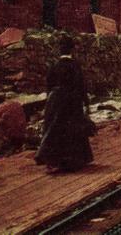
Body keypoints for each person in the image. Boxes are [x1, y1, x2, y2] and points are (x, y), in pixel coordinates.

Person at [35, 38, 94, 172]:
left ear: (59, 51)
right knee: (72, 129)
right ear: (72, 50)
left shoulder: (54, 66)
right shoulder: (75, 66)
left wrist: (50, 102)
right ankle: (74, 161)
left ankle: (54, 160)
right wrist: (86, 102)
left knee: (55, 129)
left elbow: (49, 86)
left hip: (55, 101)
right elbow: (81, 86)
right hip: (72, 101)